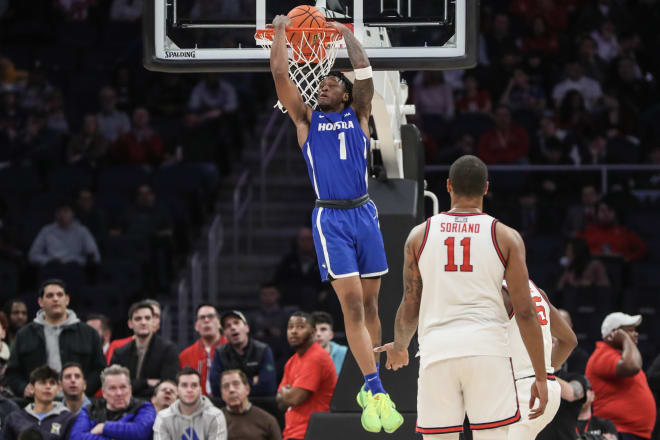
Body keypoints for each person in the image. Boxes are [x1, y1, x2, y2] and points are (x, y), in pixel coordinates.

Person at [269, 15, 400, 433]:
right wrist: (279, 34)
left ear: (344, 94)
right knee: (354, 306)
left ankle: (370, 383)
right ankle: (376, 389)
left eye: (330, 84)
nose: (322, 86)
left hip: (364, 212)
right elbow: (279, 72)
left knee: (374, 305)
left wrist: (348, 37)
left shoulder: (360, 112)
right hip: (331, 217)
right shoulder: (306, 120)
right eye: (320, 83)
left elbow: (365, 76)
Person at [376, 155, 548, 439]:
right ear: (486, 188)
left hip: (437, 351)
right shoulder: (505, 236)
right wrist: (540, 376)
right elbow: (526, 312)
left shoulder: (419, 235)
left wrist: (400, 346)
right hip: (487, 350)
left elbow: (410, 303)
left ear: (448, 186)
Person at [501, 280, 577, 440]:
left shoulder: (499, 292)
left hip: (523, 390)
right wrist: (544, 371)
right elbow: (569, 341)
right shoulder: (537, 291)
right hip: (545, 386)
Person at [6, 279, 105, 397]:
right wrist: (23, 388)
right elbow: (12, 372)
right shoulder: (24, 334)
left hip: (77, 405)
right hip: (35, 404)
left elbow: (100, 369)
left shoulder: (89, 333)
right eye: (50, 295)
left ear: (67, 299)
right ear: (40, 302)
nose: (55, 299)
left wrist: (84, 388)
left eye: (59, 295)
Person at [586, 313, 656, 439]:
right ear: (613, 334)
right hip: (617, 432)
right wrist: (625, 339)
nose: (636, 334)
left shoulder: (620, 356)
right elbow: (632, 366)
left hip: (632, 433)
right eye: (629, 331)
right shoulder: (603, 355)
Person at [277, 312, 337, 440]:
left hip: (313, 432)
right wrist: (287, 394)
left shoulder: (316, 357)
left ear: (313, 331)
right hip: (292, 432)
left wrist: (286, 392)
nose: (293, 331)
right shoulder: (291, 361)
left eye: (300, 327)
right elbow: (279, 402)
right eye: (290, 327)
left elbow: (294, 399)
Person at [110, 301, 179, 398]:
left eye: (147, 318)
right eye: (138, 319)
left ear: (153, 321)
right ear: (130, 324)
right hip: (125, 406)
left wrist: (133, 387)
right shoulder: (120, 353)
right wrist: (146, 382)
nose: (143, 322)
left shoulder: (168, 350)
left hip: (155, 407)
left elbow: (168, 387)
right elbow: (114, 385)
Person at [70, 364, 156, 440]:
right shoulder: (90, 410)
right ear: (103, 392)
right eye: (112, 388)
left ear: (130, 389)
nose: (119, 393)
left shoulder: (144, 407)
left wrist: (104, 427)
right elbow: (76, 437)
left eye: (123, 387)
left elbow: (141, 431)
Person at [209, 310, 276, 398]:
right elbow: (215, 387)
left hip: (259, 404)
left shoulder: (263, 350)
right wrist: (252, 381)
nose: (233, 327)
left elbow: (268, 387)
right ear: (225, 334)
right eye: (228, 326)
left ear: (247, 328)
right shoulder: (220, 352)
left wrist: (229, 386)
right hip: (229, 406)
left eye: (236, 323)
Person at [2, 366, 75, 440]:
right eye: (42, 382)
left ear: (58, 388)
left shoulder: (68, 418)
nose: (48, 387)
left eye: (52, 383)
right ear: (31, 388)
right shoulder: (14, 418)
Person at [153, 367, 227, 440]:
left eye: (194, 385)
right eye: (184, 385)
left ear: (200, 390)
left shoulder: (215, 416)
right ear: (177, 390)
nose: (189, 390)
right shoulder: (163, 418)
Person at [27, 203, 101, 267]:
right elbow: (33, 256)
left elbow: (95, 257)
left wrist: (75, 260)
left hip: (74, 268)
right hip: (52, 267)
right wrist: (50, 260)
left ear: (72, 213)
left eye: (65, 211)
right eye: (59, 211)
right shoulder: (47, 230)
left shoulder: (82, 230)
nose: (62, 214)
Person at [178, 304, 227, 396]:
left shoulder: (231, 349)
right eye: (202, 318)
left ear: (220, 324)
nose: (206, 320)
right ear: (196, 326)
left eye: (211, 316)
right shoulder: (184, 356)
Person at [220, 369, 281, 440]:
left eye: (236, 384)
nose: (231, 390)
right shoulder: (215, 421)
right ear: (222, 394)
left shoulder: (267, 421)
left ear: (247, 389)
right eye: (226, 386)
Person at [105, 299, 162, 363]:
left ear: (159, 322)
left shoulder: (168, 350)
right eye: (139, 318)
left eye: (156, 316)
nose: (144, 322)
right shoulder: (117, 346)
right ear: (131, 323)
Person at [312, 311, 347, 375]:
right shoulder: (301, 357)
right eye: (314, 330)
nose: (318, 334)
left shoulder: (346, 353)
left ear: (331, 334)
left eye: (323, 329)